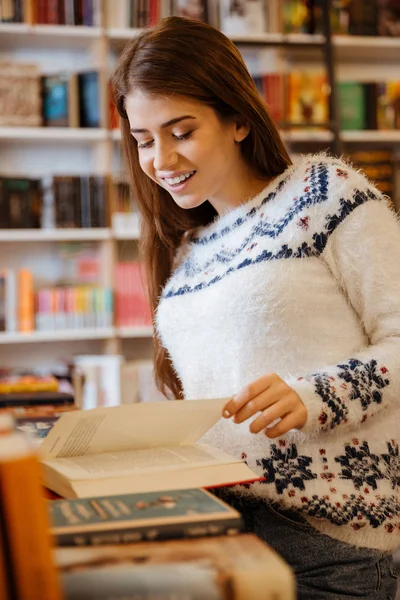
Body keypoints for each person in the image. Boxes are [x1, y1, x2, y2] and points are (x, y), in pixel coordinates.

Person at [112, 16, 399, 599]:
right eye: (144, 140)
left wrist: (312, 394)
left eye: (181, 131)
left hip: (330, 538)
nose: (161, 159)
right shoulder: (190, 252)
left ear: (239, 118)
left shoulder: (326, 194)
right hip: (221, 522)